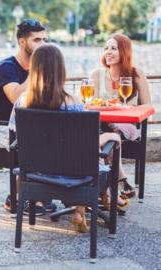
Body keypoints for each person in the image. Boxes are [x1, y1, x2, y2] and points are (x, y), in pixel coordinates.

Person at [8, 44, 127, 233]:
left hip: (34, 174)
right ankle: (83, 208)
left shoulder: (22, 102)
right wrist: (107, 136)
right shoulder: (73, 102)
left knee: (82, 157)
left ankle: (86, 206)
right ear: (61, 70)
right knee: (91, 157)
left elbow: (16, 137)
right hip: (74, 175)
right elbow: (83, 143)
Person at [0, 19, 49, 214]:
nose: (42, 45)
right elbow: (17, 97)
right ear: (22, 42)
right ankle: (18, 197)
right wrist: (36, 70)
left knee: (54, 137)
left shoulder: (41, 70)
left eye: (44, 40)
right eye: (37, 40)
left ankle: (43, 193)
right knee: (36, 141)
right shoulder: (6, 68)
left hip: (25, 127)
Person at [89, 34, 152, 199]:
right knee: (108, 134)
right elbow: (90, 104)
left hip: (126, 125)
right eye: (106, 48)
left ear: (124, 51)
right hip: (101, 125)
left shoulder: (136, 73)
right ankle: (119, 183)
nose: (108, 52)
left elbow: (147, 106)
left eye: (113, 48)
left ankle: (108, 188)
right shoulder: (97, 75)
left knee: (112, 132)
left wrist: (126, 110)